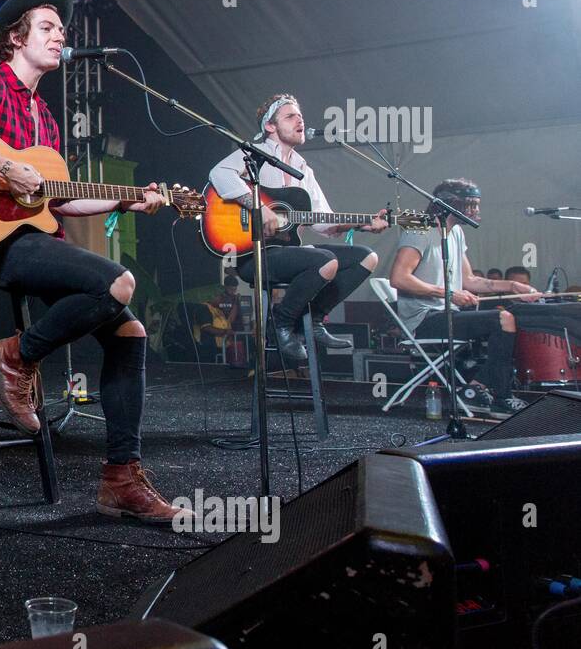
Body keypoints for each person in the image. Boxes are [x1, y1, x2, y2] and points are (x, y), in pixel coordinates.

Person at [0, 0, 191, 523]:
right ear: (14, 40)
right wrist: (0, 168)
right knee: (119, 282)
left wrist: (129, 201)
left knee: (131, 334)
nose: (60, 34)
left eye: (61, 30)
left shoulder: (46, 118)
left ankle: (120, 478)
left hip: (36, 241)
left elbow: (56, 204)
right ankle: (16, 356)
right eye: (47, 27)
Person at [208, 94, 389, 362]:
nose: (300, 120)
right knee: (324, 261)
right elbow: (219, 174)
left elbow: (323, 221)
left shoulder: (304, 169)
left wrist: (363, 223)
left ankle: (314, 319)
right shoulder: (254, 154)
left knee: (365, 257)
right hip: (253, 253)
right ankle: (280, 325)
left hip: (289, 252)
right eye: (290, 116)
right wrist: (259, 206)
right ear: (270, 126)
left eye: (300, 116)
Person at [387, 178, 537, 416]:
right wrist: (448, 294)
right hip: (423, 320)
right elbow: (399, 278)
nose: (476, 210)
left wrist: (513, 285)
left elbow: (470, 281)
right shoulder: (419, 229)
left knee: (512, 315)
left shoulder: (455, 233)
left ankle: (477, 388)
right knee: (503, 319)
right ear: (450, 204)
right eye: (471, 204)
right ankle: (501, 396)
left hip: (446, 314)